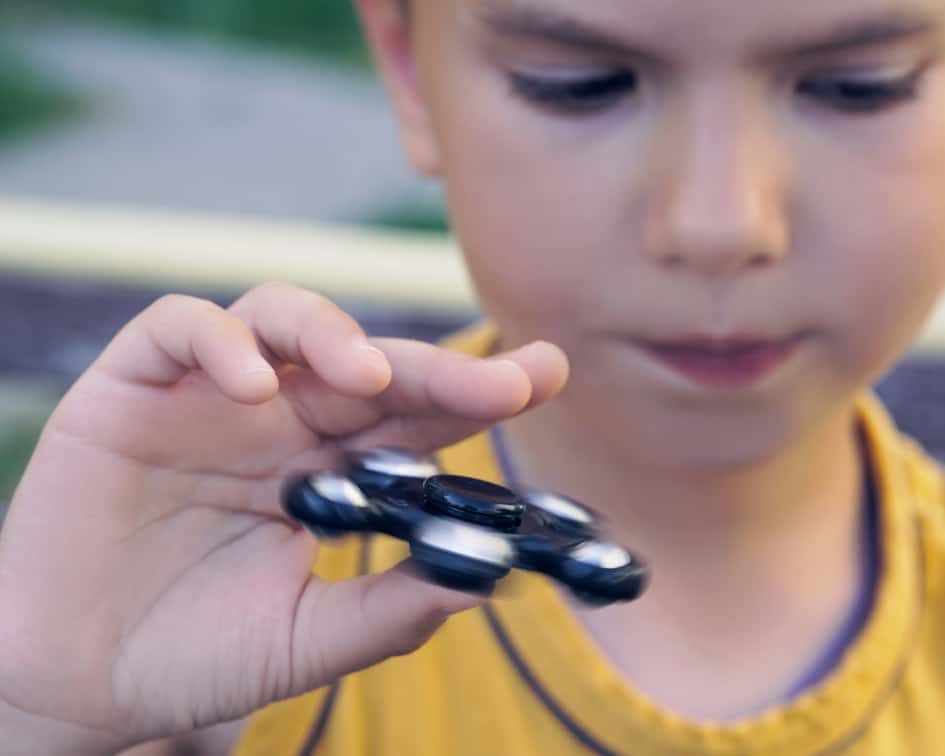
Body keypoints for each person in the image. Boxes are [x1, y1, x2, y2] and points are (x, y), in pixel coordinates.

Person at [4, 0, 945, 753]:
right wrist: (44, 713)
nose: (718, 223)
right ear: (410, 73)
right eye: (581, 85)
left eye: (858, 86)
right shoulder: (236, 563)